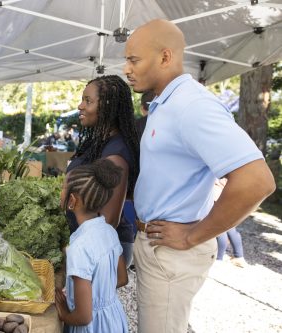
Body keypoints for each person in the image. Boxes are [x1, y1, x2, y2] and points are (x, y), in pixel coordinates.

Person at [124, 19, 275, 332]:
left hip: (171, 252)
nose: (126, 68)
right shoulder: (165, 103)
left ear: (165, 57)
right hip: (157, 246)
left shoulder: (192, 105)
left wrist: (192, 236)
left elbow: (257, 181)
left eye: (133, 60)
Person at [66, 75, 140, 269]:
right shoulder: (99, 141)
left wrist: (79, 254)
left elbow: (108, 222)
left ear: (107, 106)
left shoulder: (116, 155)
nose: (80, 106)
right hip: (89, 244)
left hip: (102, 251)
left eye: (88, 101)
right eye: (82, 99)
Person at [55, 159, 129, 333]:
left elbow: (83, 317)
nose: (60, 193)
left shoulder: (78, 248)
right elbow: (122, 278)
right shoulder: (109, 231)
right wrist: (84, 294)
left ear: (72, 201)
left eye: (63, 188)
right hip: (113, 321)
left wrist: (64, 314)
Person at [214, 178, 247, 267]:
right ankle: (239, 256)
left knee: (220, 229)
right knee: (230, 228)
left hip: (219, 196)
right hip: (232, 197)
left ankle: (218, 258)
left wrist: (216, 181)